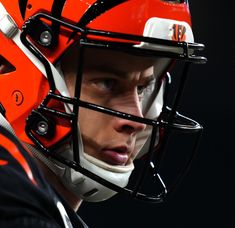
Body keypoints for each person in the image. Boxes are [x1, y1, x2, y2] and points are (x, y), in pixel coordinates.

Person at [0, 0, 206, 227]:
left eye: (143, 88)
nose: (136, 121)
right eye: (107, 83)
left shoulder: (38, 205)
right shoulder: (13, 205)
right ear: (7, 67)